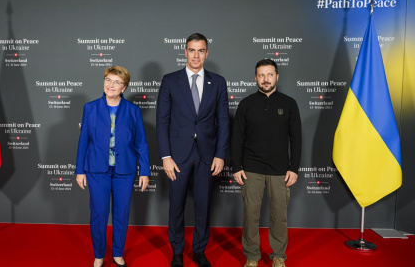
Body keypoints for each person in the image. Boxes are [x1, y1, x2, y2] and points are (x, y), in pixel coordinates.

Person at [156, 33, 230, 267]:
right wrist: (166, 156)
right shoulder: (170, 80)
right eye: (191, 50)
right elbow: (162, 121)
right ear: (185, 52)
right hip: (177, 155)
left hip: (207, 155)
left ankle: (199, 250)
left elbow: (224, 122)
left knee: (203, 205)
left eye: (200, 50)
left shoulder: (218, 82)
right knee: (176, 204)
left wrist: (220, 154)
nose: (196, 55)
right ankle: (177, 251)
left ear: (207, 53)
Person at [75, 66, 150, 267]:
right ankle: (99, 254)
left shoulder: (133, 110)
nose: (111, 85)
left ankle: (117, 253)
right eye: (108, 80)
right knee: (99, 213)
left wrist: (144, 170)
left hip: (124, 171)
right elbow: (84, 141)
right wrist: (79, 170)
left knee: (122, 213)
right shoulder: (90, 108)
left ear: (124, 87)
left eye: (117, 82)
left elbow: (141, 142)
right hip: (97, 170)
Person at [231, 59, 302, 267]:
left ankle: (278, 255)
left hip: (280, 171)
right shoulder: (246, 104)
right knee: (250, 216)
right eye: (261, 75)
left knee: (279, 217)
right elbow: (237, 138)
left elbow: (296, 138)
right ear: (255, 78)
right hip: (250, 169)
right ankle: (252, 256)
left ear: (277, 77)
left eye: (269, 75)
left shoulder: (289, 103)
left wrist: (294, 168)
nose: (265, 79)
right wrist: (236, 167)